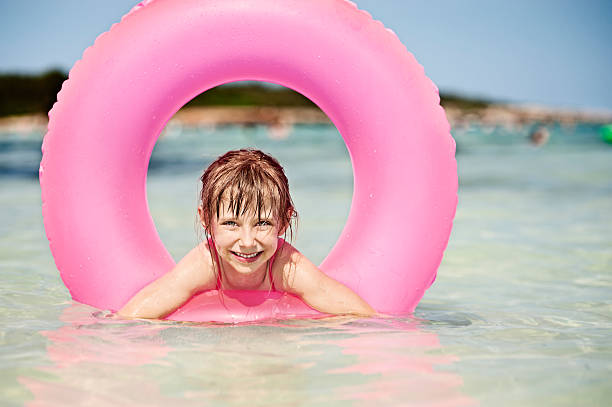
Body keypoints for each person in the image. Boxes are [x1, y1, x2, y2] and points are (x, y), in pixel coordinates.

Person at [118, 149, 376, 319]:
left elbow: (358, 315)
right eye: (231, 223)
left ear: (284, 222)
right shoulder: (206, 264)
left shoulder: (285, 266)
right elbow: (133, 317)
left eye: (262, 223)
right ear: (206, 220)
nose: (248, 241)